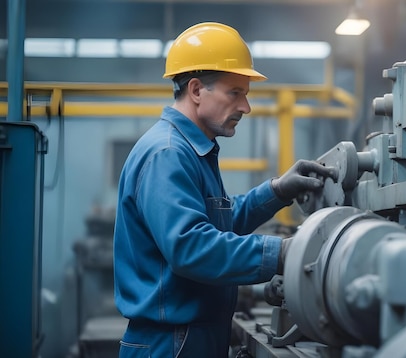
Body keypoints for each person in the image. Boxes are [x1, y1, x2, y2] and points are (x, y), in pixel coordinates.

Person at [113, 22, 336, 358]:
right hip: (171, 344)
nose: (246, 107)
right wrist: (285, 253)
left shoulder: (190, 150)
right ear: (197, 89)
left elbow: (218, 222)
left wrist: (276, 191)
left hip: (191, 336)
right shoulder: (168, 153)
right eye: (236, 93)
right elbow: (192, 246)